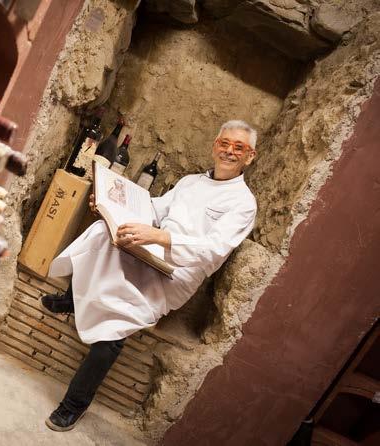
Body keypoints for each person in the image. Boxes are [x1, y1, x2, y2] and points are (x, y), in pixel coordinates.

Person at [42, 120, 258, 431]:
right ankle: (73, 297)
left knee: (115, 327)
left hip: (177, 274)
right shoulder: (191, 182)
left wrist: (159, 237)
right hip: (151, 253)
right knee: (104, 231)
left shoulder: (243, 203)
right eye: (224, 143)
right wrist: (107, 203)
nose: (229, 151)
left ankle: (73, 404)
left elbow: (213, 250)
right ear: (215, 146)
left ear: (249, 156)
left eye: (239, 147)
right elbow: (153, 209)